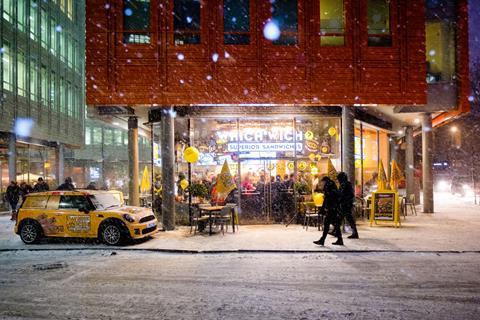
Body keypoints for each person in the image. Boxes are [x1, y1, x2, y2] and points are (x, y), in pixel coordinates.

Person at [313, 176, 343, 246]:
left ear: (324, 181)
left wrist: (323, 208)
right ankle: (338, 239)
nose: (322, 184)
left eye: (322, 182)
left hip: (331, 208)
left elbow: (327, 198)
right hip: (334, 207)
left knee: (329, 224)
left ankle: (323, 240)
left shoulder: (328, 186)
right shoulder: (332, 185)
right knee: (334, 224)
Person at [337, 172, 359, 239]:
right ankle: (336, 231)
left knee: (347, 218)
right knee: (342, 218)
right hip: (345, 204)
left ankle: (355, 233)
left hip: (346, 204)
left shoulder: (346, 184)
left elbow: (345, 194)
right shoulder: (345, 184)